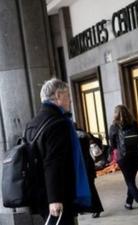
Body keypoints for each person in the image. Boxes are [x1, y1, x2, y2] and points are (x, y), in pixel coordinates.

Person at [25, 78, 90, 225]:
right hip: (58, 195)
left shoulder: (33, 123)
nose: (70, 101)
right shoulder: (58, 122)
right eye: (68, 96)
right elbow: (52, 162)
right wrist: (54, 198)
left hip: (41, 193)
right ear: (58, 96)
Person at [109, 105, 138, 215]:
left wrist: (111, 155)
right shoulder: (134, 123)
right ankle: (128, 202)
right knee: (131, 180)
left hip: (123, 157)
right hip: (136, 155)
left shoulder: (114, 126)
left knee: (129, 181)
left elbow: (113, 144)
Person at [75, 127, 104, 218]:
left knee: (90, 188)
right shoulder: (84, 136)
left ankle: (96, 208)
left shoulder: (75, 138)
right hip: (88, 164)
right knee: (90, 187)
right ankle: (87, 208)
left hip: (83, 165)